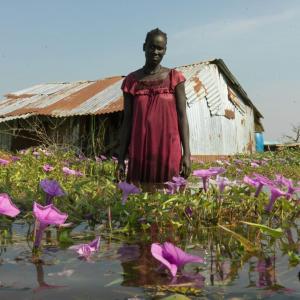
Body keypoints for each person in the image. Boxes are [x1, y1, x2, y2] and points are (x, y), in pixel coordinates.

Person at [116, 28, 191, 187]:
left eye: (160, 48)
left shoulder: (175, 78)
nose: (155, 51)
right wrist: (121, 159)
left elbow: (182, 117)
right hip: (140, 150)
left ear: (165, 50)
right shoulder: (131, 81)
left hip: (168, 149)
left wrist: (187, 154)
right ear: (144, 47)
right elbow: (127, 121)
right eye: (152, 47)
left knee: (169, 198)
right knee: (139, 200)